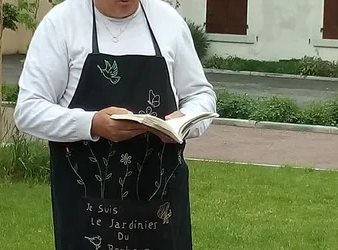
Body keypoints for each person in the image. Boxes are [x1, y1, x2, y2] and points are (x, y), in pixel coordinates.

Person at [13, 0, 216, 249]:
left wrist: (185, 121)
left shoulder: (168, 21)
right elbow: (28, 110)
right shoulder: (62, 23)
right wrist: (91, 124)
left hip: (161, 207)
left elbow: (201, 95)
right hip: (87, 211)